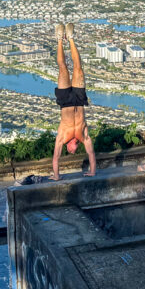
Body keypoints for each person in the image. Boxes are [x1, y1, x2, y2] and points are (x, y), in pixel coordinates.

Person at [51, 22, 97, 181]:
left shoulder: (62, 138)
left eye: (71, 151)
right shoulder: (84, 136)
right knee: (78, 68)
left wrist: (56, 176)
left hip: (65, 102)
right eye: (73, 151)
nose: (72, 151)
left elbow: (56, 157)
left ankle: (59, 39)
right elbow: (91, 153)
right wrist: (92, 171)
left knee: (62, 68)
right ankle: (70, 38)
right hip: (79, 100)